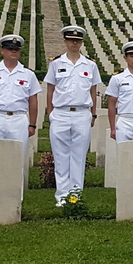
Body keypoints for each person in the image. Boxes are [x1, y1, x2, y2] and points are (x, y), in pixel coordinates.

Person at [44, 25, 103, 206]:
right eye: (71, 40)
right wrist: (50, 113)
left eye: (77, 40)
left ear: (81, 43)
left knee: (78, 156)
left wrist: (93, 114)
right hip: (61, 113)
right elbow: (50, 89)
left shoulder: (90, 65)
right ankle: (62, 196)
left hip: (81, 114)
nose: (74, 43)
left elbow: (93, 91)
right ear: (65, 41)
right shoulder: (56, 64)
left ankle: (75, 194)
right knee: (61, 156)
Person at [0, 34, 41, 179]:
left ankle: (15, 193)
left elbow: (33, 100)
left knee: (18, 157)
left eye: (16, 49)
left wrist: (32, 124)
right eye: (10, 49)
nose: (13, 52)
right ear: (2, 51)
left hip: (18, 118)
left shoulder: (28, 74)